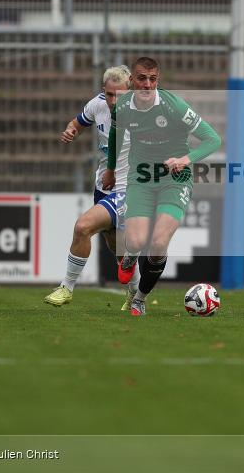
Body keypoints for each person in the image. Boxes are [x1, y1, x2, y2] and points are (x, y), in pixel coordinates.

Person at [102, 57, 221, 316]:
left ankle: (139, 300)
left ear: (158, 80)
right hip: (141, 178)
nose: (147, 85)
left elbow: (213, 139)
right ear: (132, 81)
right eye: (142, 79)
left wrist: (185, 159)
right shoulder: (122, 106)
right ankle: (131, 254)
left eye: (153, 79)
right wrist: (111, 169)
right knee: (134, 240)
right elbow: (114, 136)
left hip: (174, 179)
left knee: (158, 243)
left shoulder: (173, 106)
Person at [44, 65, 140, 309]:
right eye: (109, 94)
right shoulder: (96, 105)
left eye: (120, 95)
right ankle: (137, 295)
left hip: (127, 189)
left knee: (83, 226)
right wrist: (71, 130)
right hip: (103, 187)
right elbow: (77, 122)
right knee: (116, 247)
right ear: (103, 91)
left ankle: (66, 287)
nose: (113, 100)